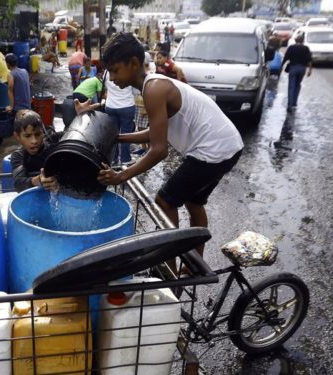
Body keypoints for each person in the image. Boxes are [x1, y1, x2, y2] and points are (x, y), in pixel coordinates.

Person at [89, 33, 243, 263]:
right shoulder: (152, 85)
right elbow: (155, 133)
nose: (111, 78)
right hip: (228, 145)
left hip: (213, 150)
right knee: (193, 202)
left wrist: (122, 176)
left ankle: (171, 260)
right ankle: (194, 263)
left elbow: (159, 150)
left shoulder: (153, 89)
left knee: (164, 201)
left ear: (133, 64)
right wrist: (118, 138)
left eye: (114, 70)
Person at [10, 110, 60, 193]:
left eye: (38, 134)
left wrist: (81, 115)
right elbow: (19, 184)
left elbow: (75, 133)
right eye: (27, 136)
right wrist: (39, 180)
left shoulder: (52, 141)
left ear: (43, 132)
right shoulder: (18, 156)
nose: (34, 141)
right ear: (17, 136)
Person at [282, 34, 312, 112]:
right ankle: (294, 102)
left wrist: (281, 65)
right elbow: (309, 60)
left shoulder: (291, 47)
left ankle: (290, 104)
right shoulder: (306, 48)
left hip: (293, 67)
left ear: (295, 41)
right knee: (298, 85)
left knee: (291, 86)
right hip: (302, 68)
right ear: (302, 41)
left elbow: (286, 57)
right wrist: (310, 70)